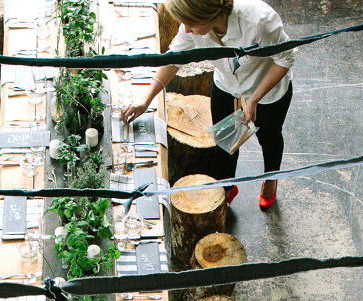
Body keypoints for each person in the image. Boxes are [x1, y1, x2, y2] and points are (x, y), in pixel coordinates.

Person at [121, 0, 296, 210]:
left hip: (267, 92)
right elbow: (175, 58)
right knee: (224, 141)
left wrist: (255, 98)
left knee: (269, 139)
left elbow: (285, 57)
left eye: (190, 23)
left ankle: (270, 180)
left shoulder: (259, 20)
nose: (185, 29)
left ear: (209, 14)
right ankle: (227, 185)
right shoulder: (194, 25)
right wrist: (146, 98)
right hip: (226, 86)